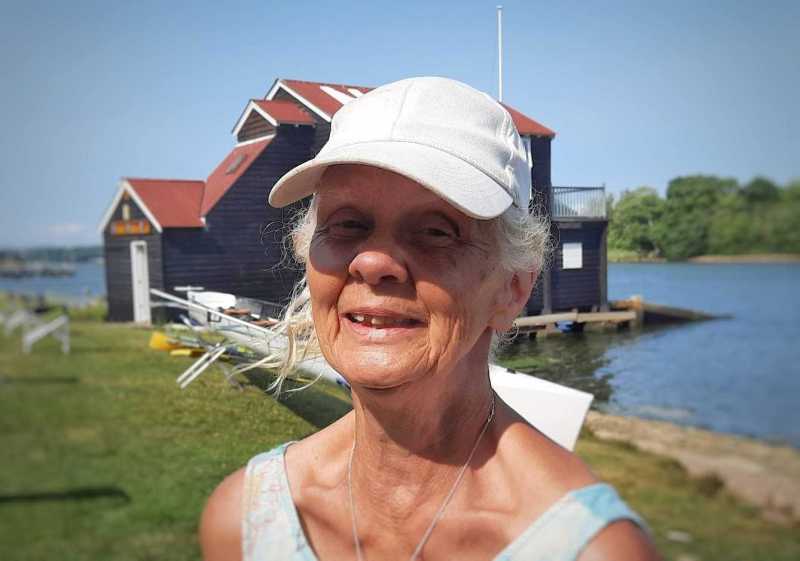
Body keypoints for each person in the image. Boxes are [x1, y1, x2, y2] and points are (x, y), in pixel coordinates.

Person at [199, 77, 660, 561]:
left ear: (513, 288)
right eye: (347, 224)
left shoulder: (589, 549)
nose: (372, 262)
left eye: (436, 232)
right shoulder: (248, 523)